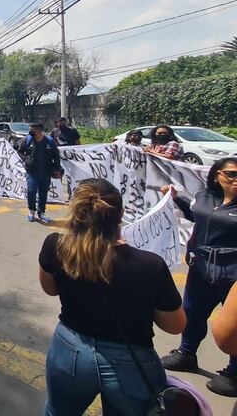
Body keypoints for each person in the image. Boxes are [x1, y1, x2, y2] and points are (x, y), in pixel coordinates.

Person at [38, 178, 186, 415]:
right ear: (121, 215)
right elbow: (175, 325)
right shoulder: (149, 265)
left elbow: (50, 289)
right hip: (131, 360)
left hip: (69, 349)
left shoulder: (55, 245)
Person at [161, 157, 237, 396]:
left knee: (232, 327)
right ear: (217, 175)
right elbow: (194, 215)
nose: (236, 179)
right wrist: (174, 198)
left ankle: (234, 372)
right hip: (200, 269)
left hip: (233, 274)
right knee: (192, 313)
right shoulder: (205, 197)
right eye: (232, 174)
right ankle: (186, 353)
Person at [18, 122, 62, 224]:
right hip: (32, 172)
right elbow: (20, 151)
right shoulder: (27, 140)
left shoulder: (49, 141)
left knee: (43, 193)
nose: (30, 131)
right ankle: (31, 211)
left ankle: (41, 212)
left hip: (46, 172)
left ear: (39, 130)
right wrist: (26, 159)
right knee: (31, 191)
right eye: (30, 129)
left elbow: (56, 155)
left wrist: (57, 168)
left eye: (32, 129)